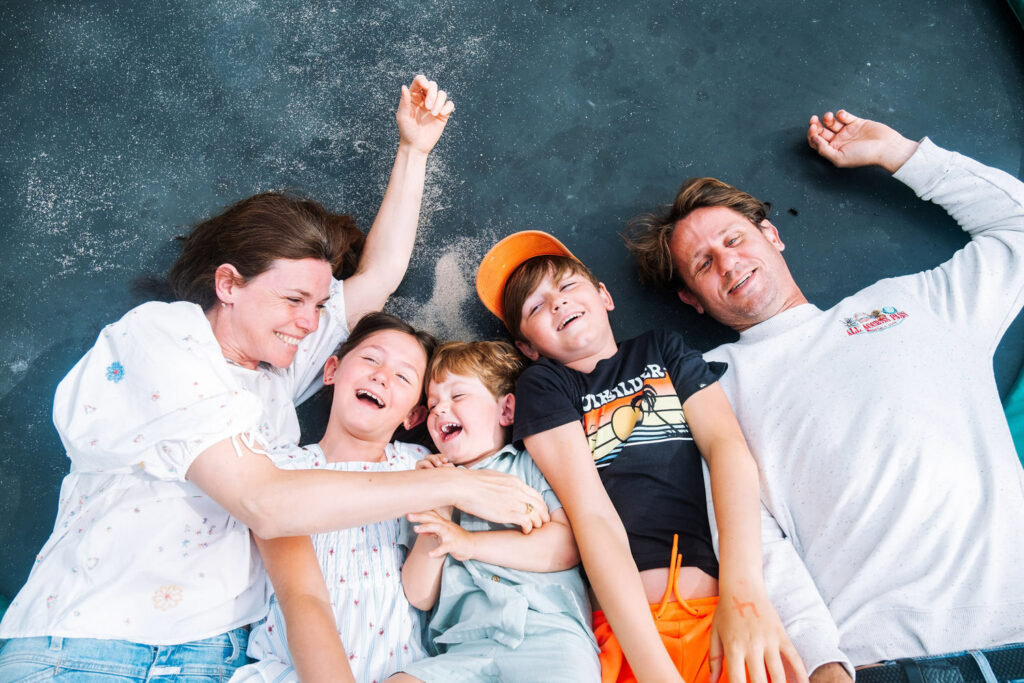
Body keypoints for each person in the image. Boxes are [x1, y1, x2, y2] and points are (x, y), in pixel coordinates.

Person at [0, 75, 549, 682]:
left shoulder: (273, 374)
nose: (310, 324)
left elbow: (381, 275)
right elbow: (264, 500)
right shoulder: (161, 336)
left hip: (216, 658)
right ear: (229, 285)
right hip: (91, 646)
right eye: (294, 300)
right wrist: (458, 490)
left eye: (318, 307)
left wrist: (414, 150)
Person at [623, 109, 1024, 682]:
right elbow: (751, 539)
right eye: (703, 264)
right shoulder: (712, 387)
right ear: (693, 300)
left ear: (771, 235)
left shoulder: (914, 303)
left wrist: (902, 155)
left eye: (734, 239)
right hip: (889, 660)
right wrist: (820, 661)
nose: (728, 262)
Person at [473, 231, 808, 683]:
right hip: (634, 635)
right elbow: (591, 513)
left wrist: (744, 593)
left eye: (568, 286)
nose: (556, 303)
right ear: (528, 348)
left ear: (604, 296)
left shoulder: (661, 349)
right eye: (534, 307)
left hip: (727, 612)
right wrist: (655, 671)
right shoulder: (546, 385)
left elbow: (727, 450)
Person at [231, 313, 439, 683]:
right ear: (332, 371)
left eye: (404, 377)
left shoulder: (421, 467)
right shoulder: (279, 468)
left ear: (414, 415)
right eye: (371, 359)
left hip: (399, 671)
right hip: (286, 671)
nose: (381, 376)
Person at [389, 340, 600, 683]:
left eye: (457, 396)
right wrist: (439, 499)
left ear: (506, 410)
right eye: (432, 404)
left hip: (546, 635)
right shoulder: (427, 486)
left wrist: (468, 544)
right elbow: (418, 594)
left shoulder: (528, 465)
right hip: (462, 649)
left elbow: (565, 547)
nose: (441, 409)